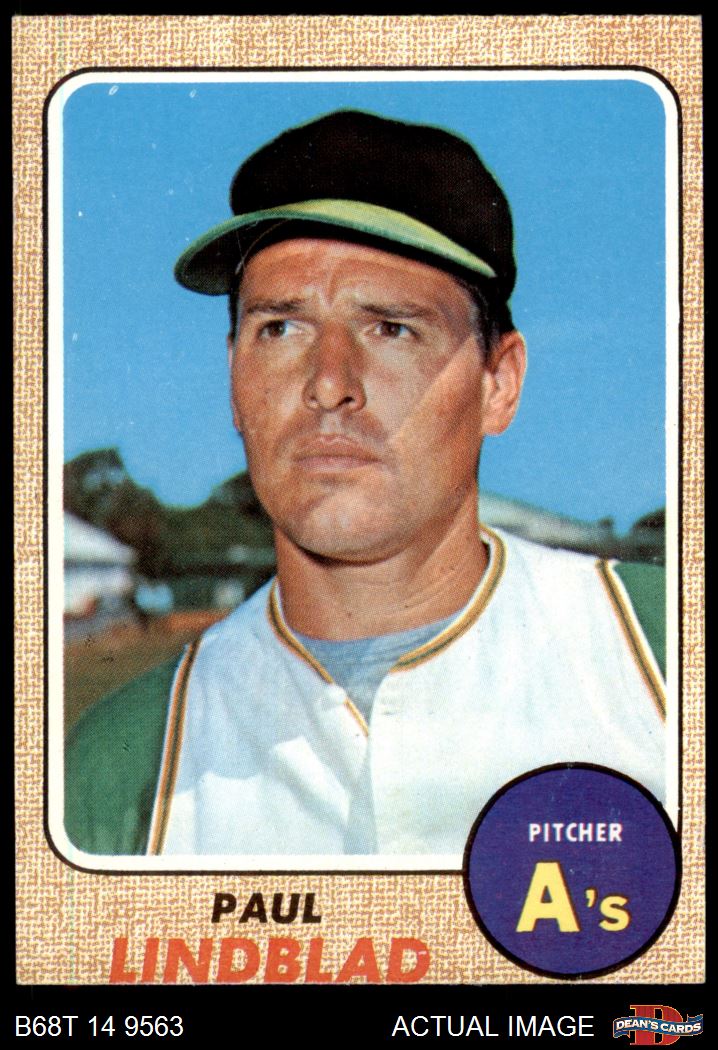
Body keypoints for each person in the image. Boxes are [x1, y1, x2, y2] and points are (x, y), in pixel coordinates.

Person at [64, 110, 666, 859]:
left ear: (499, 383)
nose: (329, 384)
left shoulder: (660, 651)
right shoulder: (123, 764)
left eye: (392, 328)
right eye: (280, 328)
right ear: (233, 378)